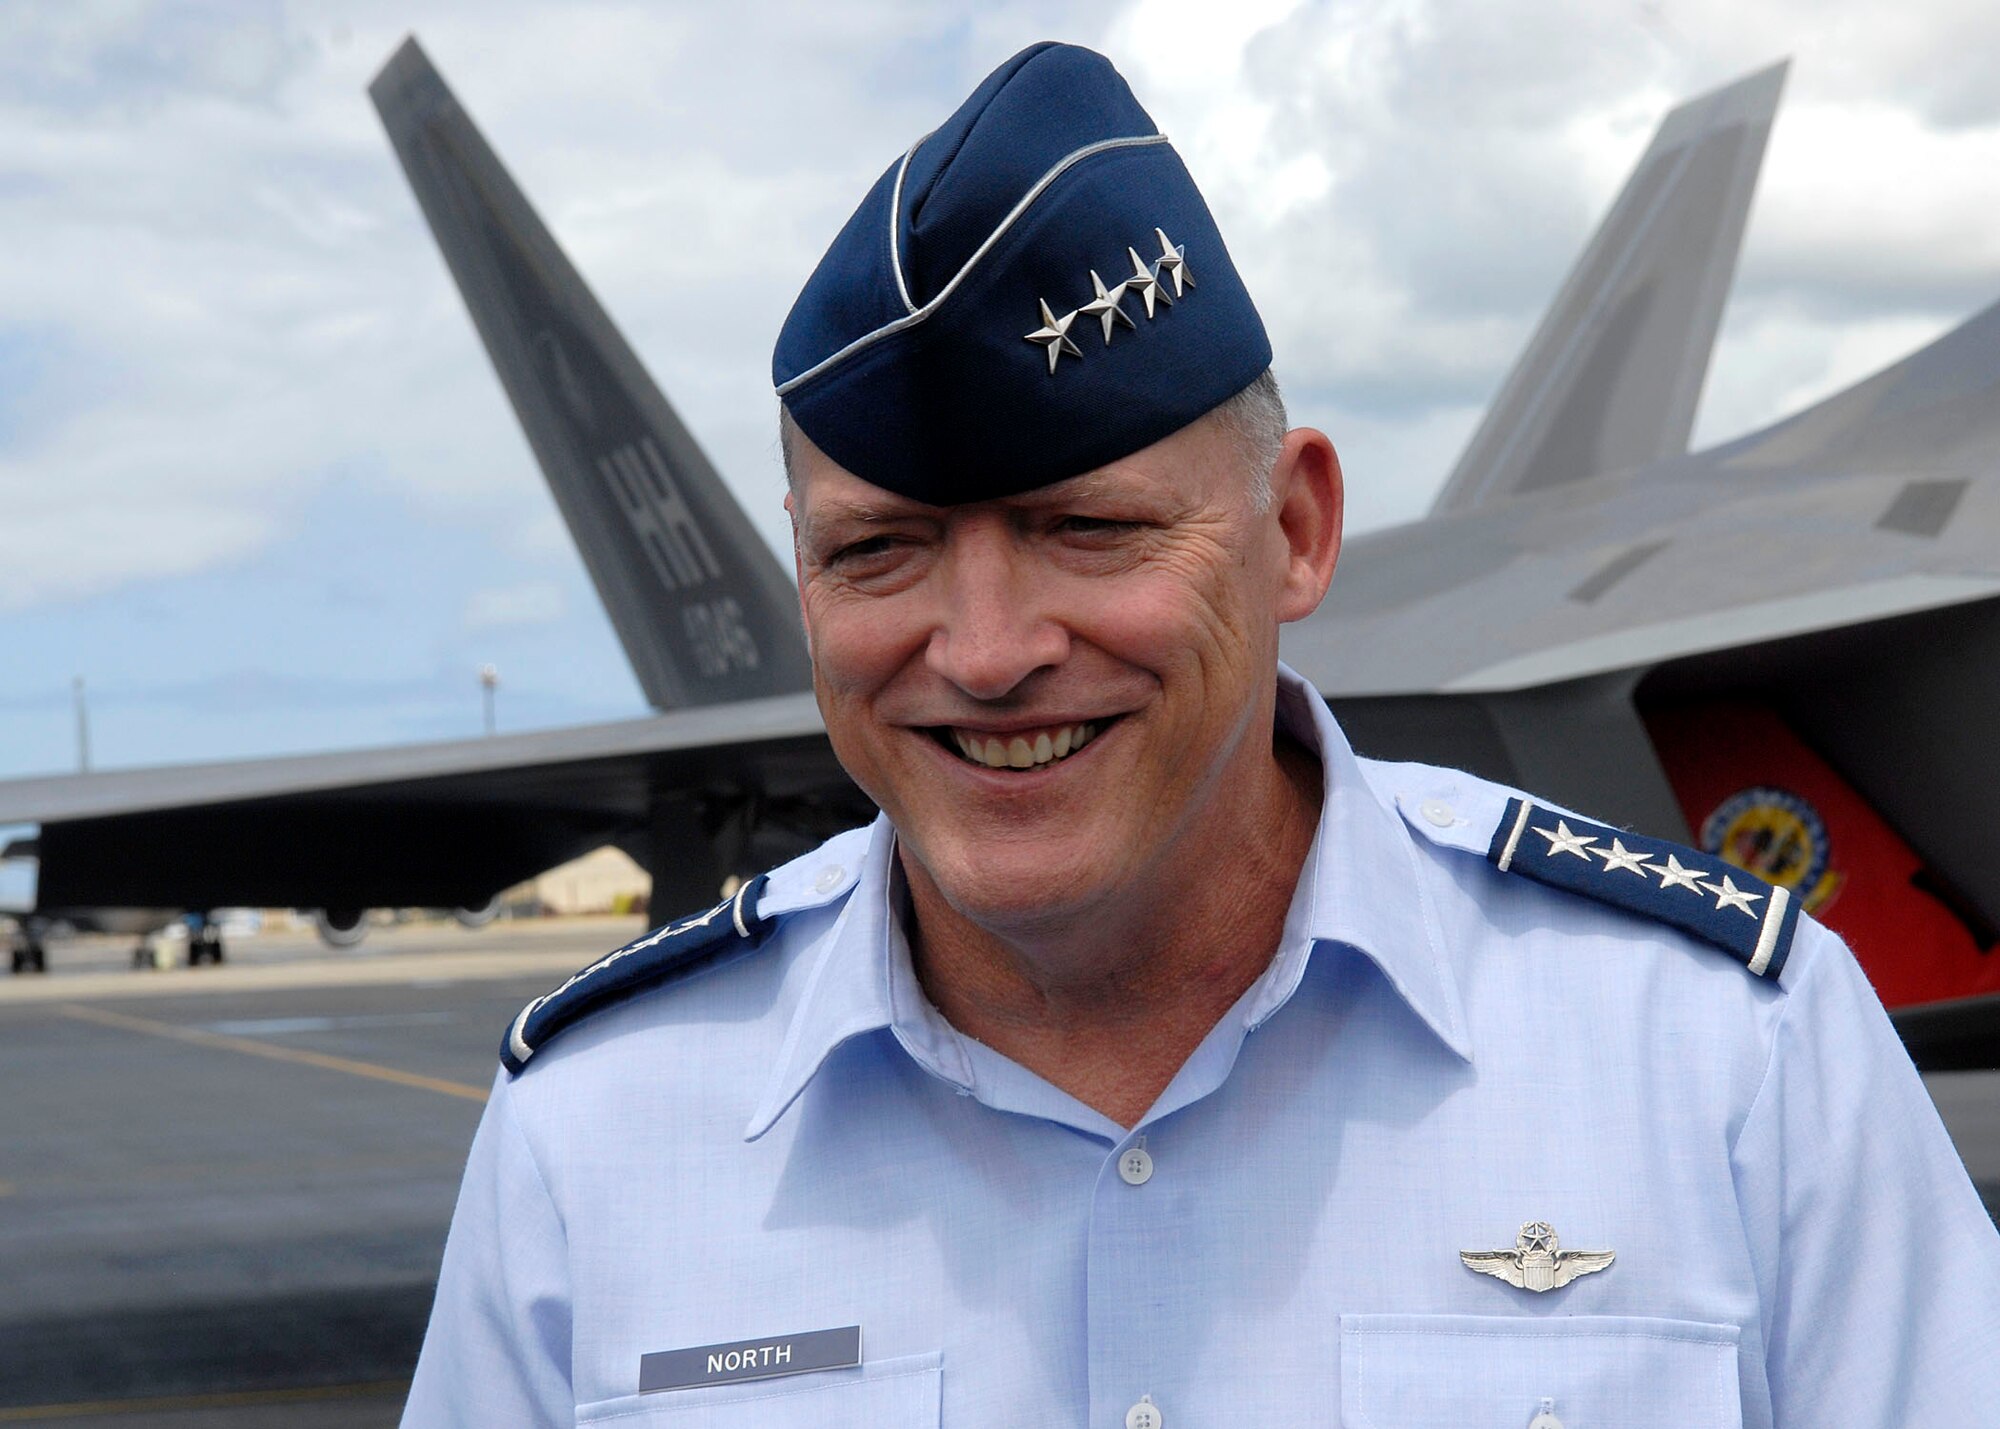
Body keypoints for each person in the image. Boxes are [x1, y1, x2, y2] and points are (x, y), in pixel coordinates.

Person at [402, 42, 2000, 1428]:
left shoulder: (1729, 1054)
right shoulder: (598, 1138)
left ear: (1296, 530)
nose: (988, 651)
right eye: (877, 550)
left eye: (1087, 527)